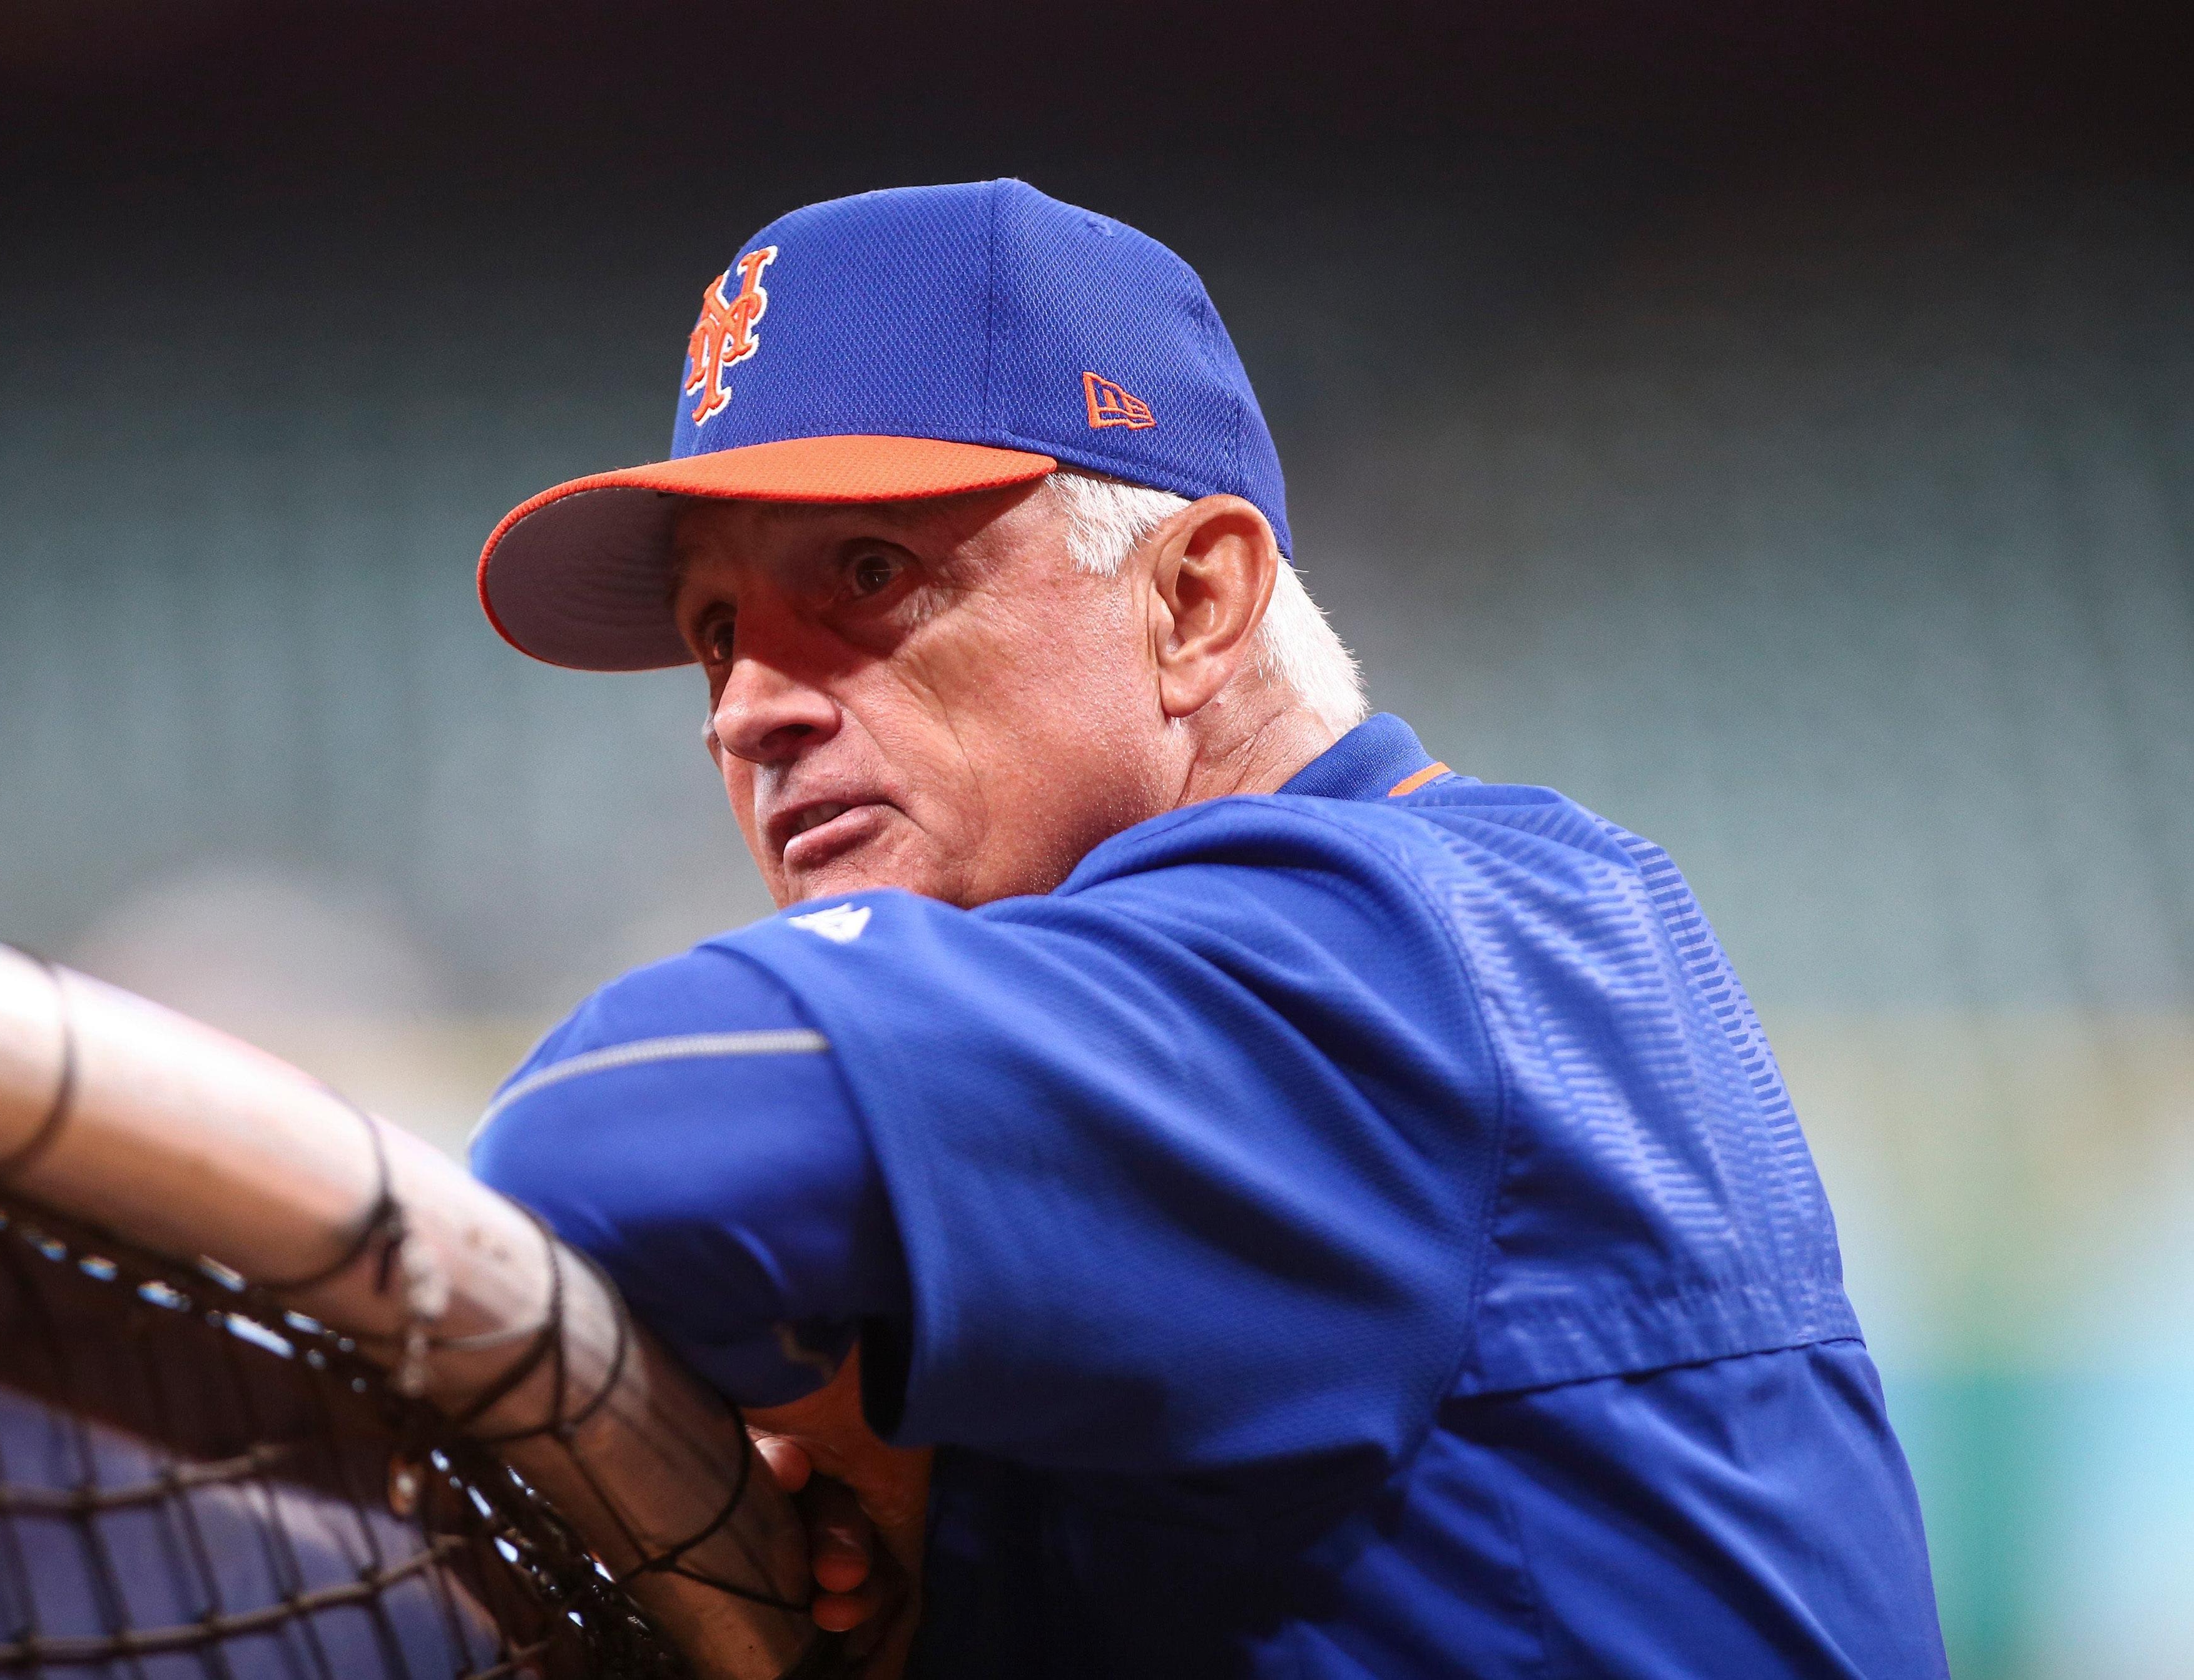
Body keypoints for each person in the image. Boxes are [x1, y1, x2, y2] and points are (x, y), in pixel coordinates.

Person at [469, 179, 1949, 1678]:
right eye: (715, 632)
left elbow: (611, 1133)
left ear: (1196, 602)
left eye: (868, 573)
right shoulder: (1264, 1035)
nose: (746, 709)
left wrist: (825, 1393)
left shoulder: (1389, 945)